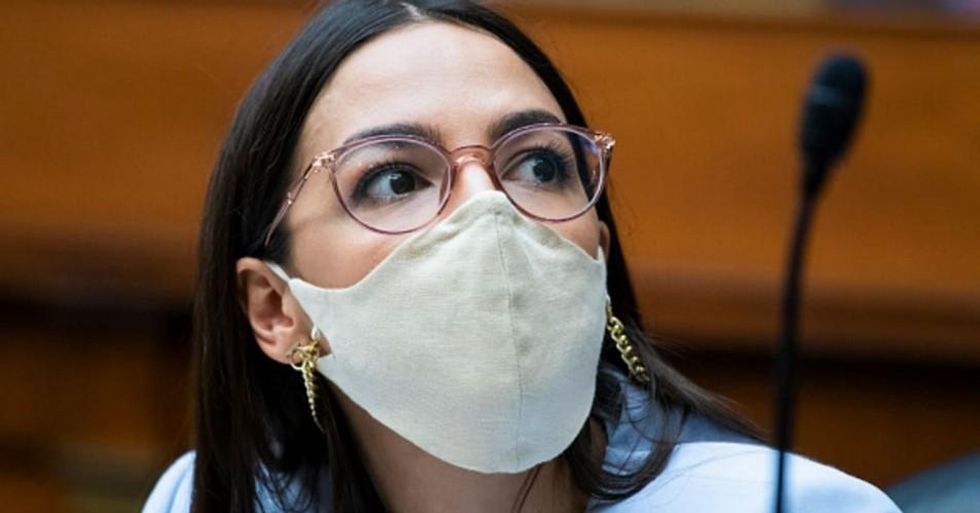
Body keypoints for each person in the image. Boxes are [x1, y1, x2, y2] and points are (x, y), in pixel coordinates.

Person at [142, 1, 902, 512]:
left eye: (537, 164)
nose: (491, 208)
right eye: (396, 177)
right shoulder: (212, 497)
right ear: (278, 307)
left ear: (596, 254)